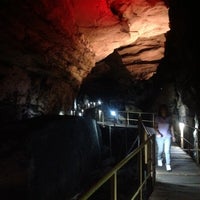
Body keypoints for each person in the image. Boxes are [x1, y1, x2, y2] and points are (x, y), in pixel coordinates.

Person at [154, 104, 176, 171]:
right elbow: (155, 127)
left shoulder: (169, 118)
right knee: (160, 150)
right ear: (160, 111)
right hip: (159, 136)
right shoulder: (157, 118)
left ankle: (168, 165)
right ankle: (159, 158)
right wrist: (158, 133)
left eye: (164, 110)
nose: (163, 111)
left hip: (167, 136)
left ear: (166, 110)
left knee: (167, 151)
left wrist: (173, 136)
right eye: (162, 110)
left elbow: (171, 127)